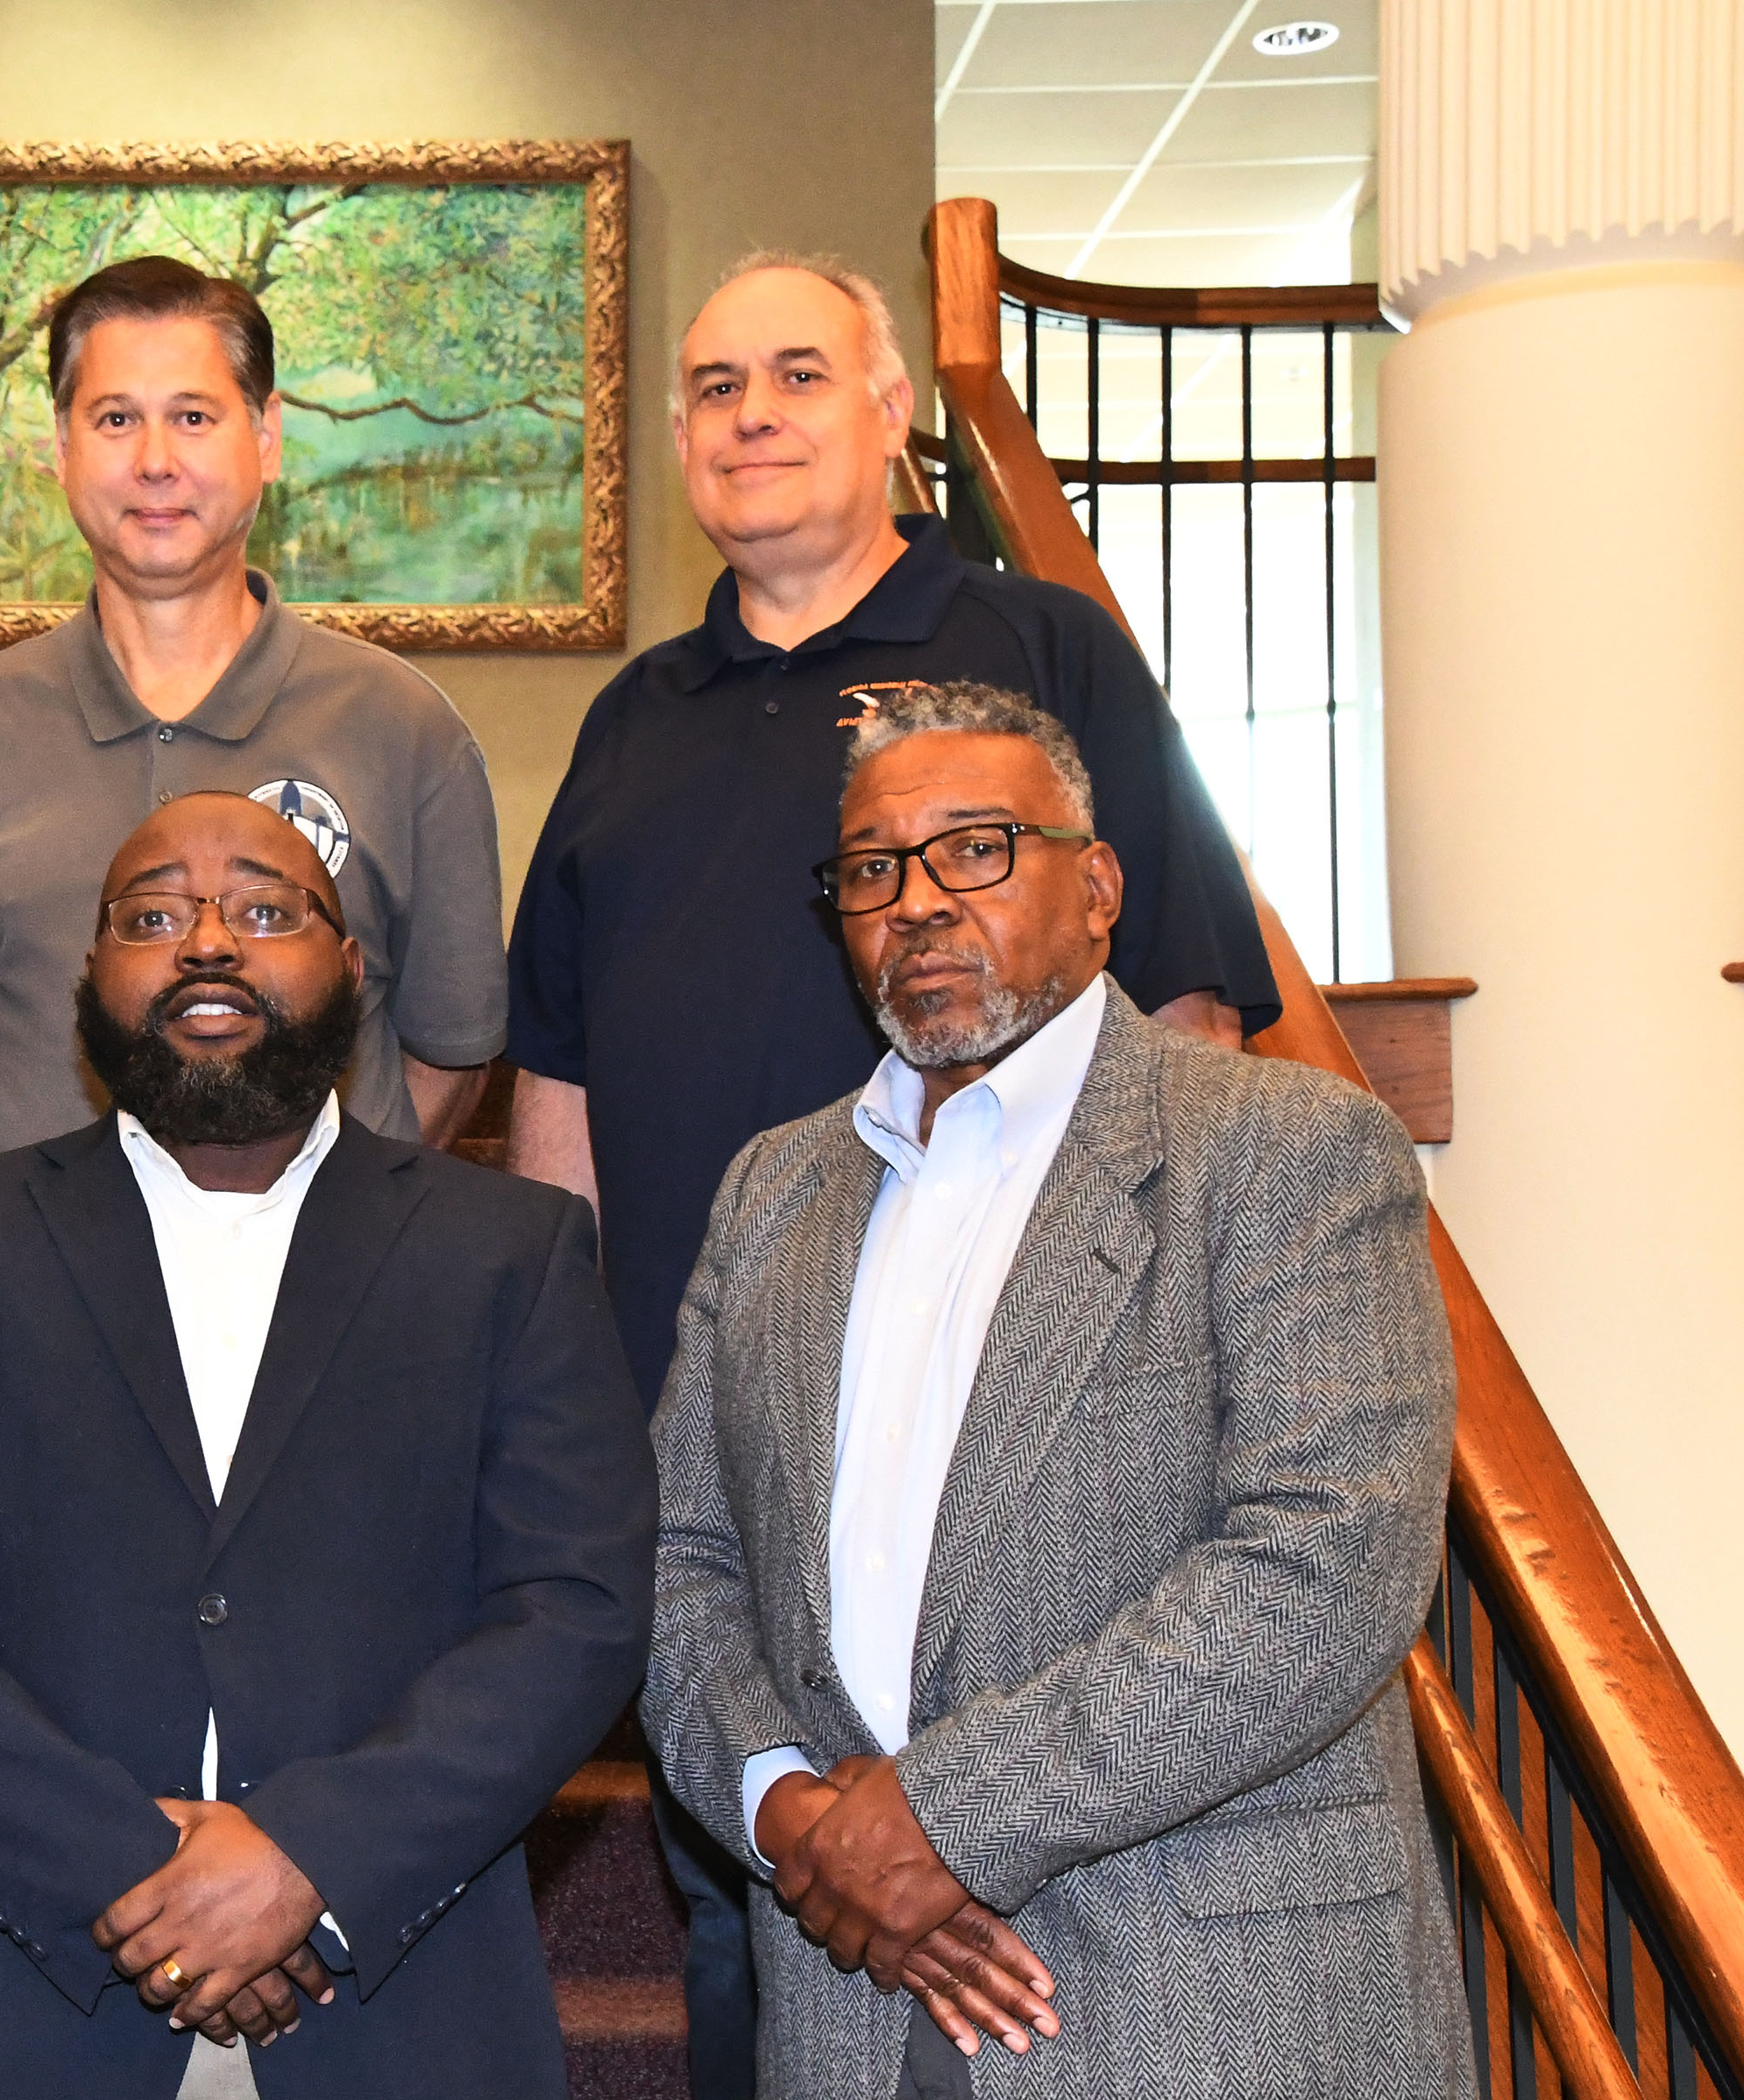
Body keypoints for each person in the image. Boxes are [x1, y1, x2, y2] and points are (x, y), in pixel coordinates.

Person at [502, 252, 1283, 2089]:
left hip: (1040, 1453)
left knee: (1071, 1949)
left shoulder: (1043, 646)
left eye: (795, 373)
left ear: (890, 416)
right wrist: (570, 1409)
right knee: (744, 1935)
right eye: (711, 386)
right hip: (742, 1458)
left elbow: (1186, 1005)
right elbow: (556, 1074)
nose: (750, 413)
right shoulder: (633, 719)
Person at [642, 683, 1468, 2099]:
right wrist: (788, 1808)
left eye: (976, 848)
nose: (915, 901)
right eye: (872, 869)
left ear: (1096, 889)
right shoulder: (773, 1189)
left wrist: (943, 1821)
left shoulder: (1286, 1151)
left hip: (1209, 2005)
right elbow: (680, 1559)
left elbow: (1326, 1567)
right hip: (852, 2004)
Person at [0, 791, 653, 2098]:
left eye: (263, 909)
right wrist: (117, 1868)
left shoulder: (510, 1255)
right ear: (91, 975)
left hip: (392, 2003)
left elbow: (576, 1605)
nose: (207, 942)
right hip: (20, 1998)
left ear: (350, 967)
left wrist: (311, 1857)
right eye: (151, 915)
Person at [0, 256, 507, 1175]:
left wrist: (319, 1231)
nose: (156, 461)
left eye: (193, 416)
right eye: (115, 419)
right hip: (23, 1298)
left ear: (267, 437)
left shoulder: (407, 730)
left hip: (326, 1299)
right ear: (61, 447)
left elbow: (449, 1059)